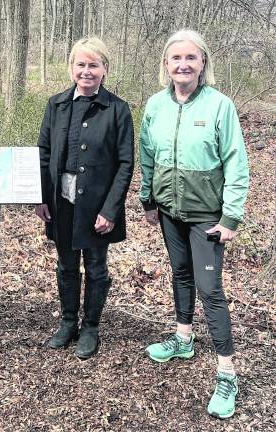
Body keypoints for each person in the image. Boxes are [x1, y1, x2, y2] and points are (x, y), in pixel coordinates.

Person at [139, 29, 249, 418]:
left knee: (210, 288)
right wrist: (147, 198)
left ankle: (227, 372)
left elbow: (236, 162)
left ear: (203, 63)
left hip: (207, 215)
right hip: (170, 210)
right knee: (181, 273)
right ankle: (183, 338)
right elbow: (147, 153)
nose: (182, 64)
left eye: (191, 58)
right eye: (175, 58)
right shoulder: (155, 105)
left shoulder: (220, 106)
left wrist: (231, 215)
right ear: (166, 65)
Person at [36, 37, 134, 359]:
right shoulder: (57, 104)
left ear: (105, 69)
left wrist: (111, 210)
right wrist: (41, 197)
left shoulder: (117, 109)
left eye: (94, 65)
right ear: (71, 67)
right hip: (61, 201)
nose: (86, 71)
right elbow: (44, 154)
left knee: (95, 267)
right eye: (81, 64)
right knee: (65, 265)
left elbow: (125, 163)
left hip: (97, 206)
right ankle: (67, 323)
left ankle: (90, 327)